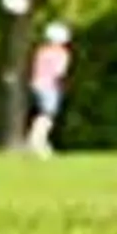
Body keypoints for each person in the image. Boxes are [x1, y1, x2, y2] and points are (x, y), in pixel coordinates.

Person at [24, 22, 73, 156]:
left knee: (42, 114)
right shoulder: (62, 54)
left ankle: (36, 141)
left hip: (36, 84)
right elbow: (59, 73)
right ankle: (36, 141)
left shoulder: (41, 51)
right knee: (47, 116)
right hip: (50, 86)